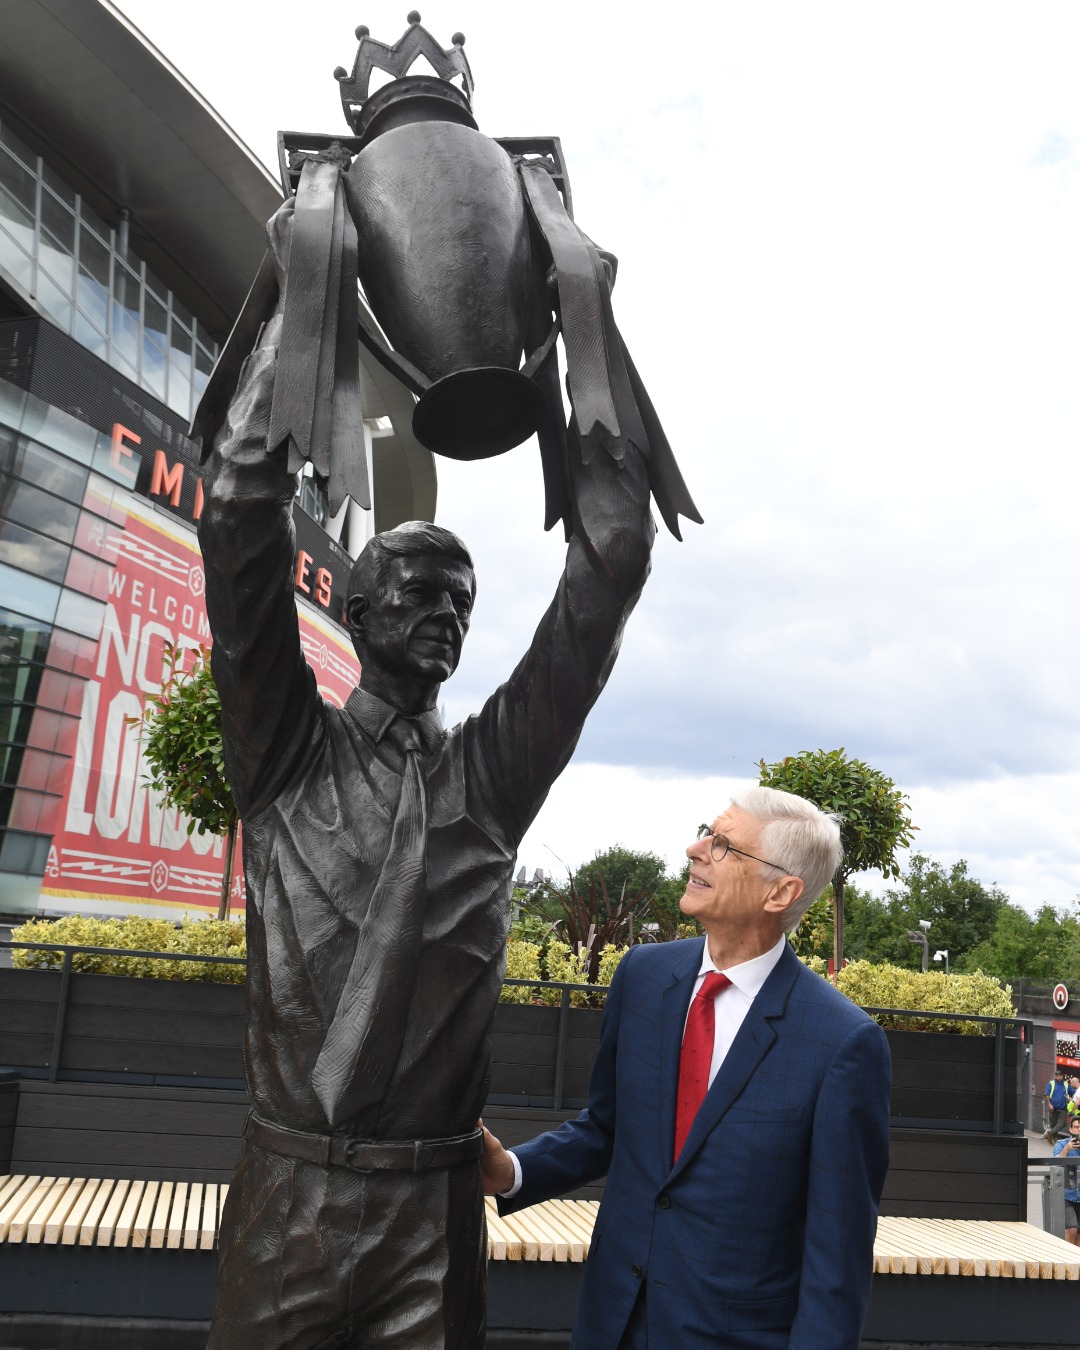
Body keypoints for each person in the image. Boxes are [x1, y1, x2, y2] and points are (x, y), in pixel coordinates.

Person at [198, 198, 655, 1349]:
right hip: (289, 1205)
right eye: (416, 586)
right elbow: (241, 505)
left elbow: (609, 566)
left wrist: (582, 319)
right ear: (351, 608)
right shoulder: (284, 752)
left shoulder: (488, 784)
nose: (446, 608)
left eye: (464, 595)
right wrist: (314, 281)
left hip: (434, 1219)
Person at [482, 788, 891, 1350]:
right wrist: (511, 1171)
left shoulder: (843, 1043)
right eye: (707, 832)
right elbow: (605, 1128)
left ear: (782, 892)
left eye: (724, 846)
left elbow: (836, 1259)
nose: (695, 849)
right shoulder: (643, 977)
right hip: (609, 1325)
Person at [1052, 1114, 1080, 1245]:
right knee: (1071, 1229)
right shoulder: (1062, 1144)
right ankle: (1067, 1261)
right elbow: (1055, 1163)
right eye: (1076, 1127)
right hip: (1067, 1194)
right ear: (1071, 1130)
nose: (1079, 1130)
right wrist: (1067, 1149)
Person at [1045, 1069, 1072, 1141]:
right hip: (1053, 1107)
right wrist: (1049, 1104)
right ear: (1055, 1076)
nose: (1059, 1077)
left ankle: (1050, 1133)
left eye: (1060, 1076)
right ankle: (1055, 1138)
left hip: (1062, 1108)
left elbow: (1073, 1092)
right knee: (1053, 1124)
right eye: (1057, 1076)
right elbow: (1047, 1095)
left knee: (1063, 1123)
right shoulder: (1051, 1083)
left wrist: (1071, 1098)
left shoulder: (1066, 1084)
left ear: (1062, 1076)